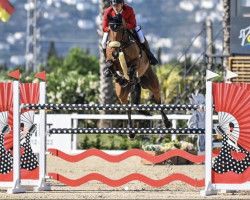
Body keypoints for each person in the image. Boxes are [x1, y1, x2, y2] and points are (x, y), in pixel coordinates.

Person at [102, 0, 158, 77]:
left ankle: (150, 55)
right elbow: (104, 28)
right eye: (114, 6)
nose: (115, 8)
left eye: (117, 5)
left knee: (141, 38)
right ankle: (107, 63)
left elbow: (133, 24)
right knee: (103, 43)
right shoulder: (108, 11)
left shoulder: (129, 9)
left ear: (122, 4)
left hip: (128, 27)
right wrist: (112, 27)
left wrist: (123, 25)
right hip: (113, 31)